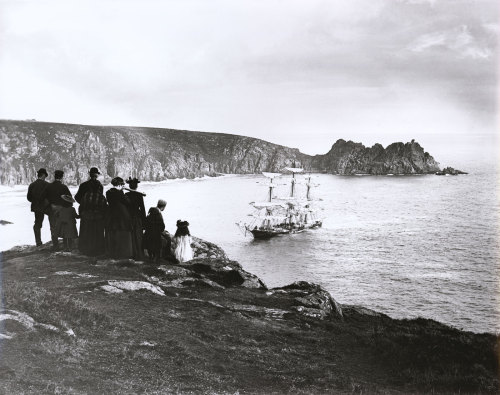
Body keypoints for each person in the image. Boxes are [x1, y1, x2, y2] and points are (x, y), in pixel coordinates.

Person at [77, 168, 107, 256]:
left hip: (86, 211)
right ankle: (97, 249)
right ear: (97, 175)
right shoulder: (100, 186)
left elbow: (77, 197)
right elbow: (102, 201)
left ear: (89, 174)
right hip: (98, 214)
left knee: (86, 231)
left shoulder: (83, 185)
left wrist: (85, 203)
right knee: (97, 232)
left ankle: (85, 249)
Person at [105, 177, 133, 259]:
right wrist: (122, 192)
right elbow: (128, 202)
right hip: (122, 217)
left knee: (114, 235)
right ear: (120, 185)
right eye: (122, 184)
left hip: (112, 216)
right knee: (122, 236)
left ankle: (113, 254)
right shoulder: (120, 193)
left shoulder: (108, 192)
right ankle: (122, 254)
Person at [46, 170, 72, 251]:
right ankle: (65, 246)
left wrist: (49, 207)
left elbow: (45, 198)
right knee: (63, 227)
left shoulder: (49, 186)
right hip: (62, 209)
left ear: (54, 176)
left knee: (53, 227)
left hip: (52, 209)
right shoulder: (64, 187)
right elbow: (69, 199)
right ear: (62, 177)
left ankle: (55, 246)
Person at [26, 168, 50, 246]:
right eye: (45, 175)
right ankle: (54, 240)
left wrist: (35, 201)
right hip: (47, 207)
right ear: (43, 175)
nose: (45, 177)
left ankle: (38, 242)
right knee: (53, 222)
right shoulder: (47, 185)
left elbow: (29, 198)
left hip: (37, 207)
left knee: (37, 223)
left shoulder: (32, 185)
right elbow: (51, 197)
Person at [125, 177, 146, 260]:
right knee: (138, 236)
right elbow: (143, 209)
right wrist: (144, 222)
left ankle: (132, 254)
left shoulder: (126, 195)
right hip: (137, 218)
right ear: (136, 186)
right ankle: (139, 255)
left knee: (131, 236)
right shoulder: (139, 195)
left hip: (129, 217)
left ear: (129, 186)